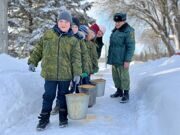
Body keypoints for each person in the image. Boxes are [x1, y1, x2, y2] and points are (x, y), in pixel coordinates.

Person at [28, 10, 82, 130]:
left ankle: (63, 117)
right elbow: (39, 49)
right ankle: (44, 118)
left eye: (66, 22)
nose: (63, 24)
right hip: (50, 73)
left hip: (65, 74)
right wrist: (33, 61)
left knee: (63, 96)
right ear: (57, 22)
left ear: (70, 24)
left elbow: (76, 59)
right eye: (61, 21)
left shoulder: (73, 40)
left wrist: (77, 73)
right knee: (48, 96)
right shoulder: (48, 34)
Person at [51, 17, 91, 115]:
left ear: (78, 28)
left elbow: (84, 56)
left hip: (77, 69)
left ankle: (75, 107)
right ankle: (59, 105)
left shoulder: (80, 39)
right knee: (62, 90)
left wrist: (85, 70)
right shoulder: (63, 37)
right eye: (72, 26)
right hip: (64, 69)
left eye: (75, 26)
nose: (73, 28)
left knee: (76, 88)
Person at [107, 13, 135, 103]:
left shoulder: (128, 31)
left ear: (124, 21)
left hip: (123, 59)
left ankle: (126, 94)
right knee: (116, 76)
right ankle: (119, 91)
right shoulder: (115, 31)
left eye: (119, 22)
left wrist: (127, 60)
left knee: (124, 77)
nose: (117, 24)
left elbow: (131, 47)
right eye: (116, 22)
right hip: (114, 58)